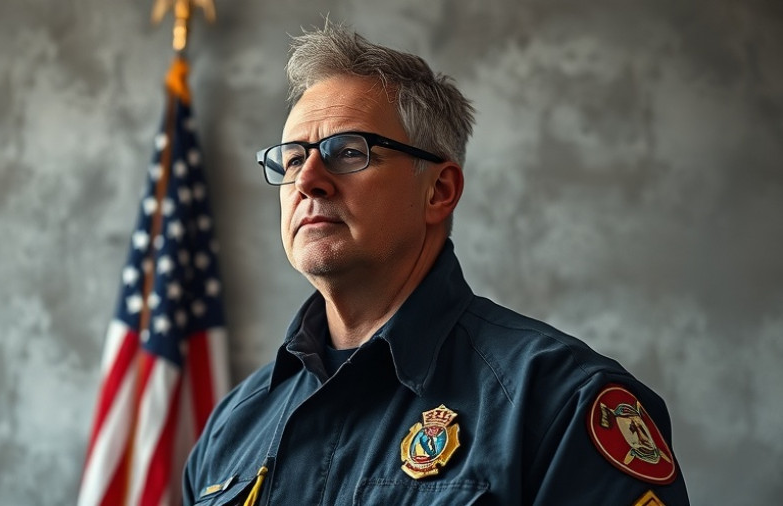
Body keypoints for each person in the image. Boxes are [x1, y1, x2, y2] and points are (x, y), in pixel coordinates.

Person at [183, 23, 690, 506]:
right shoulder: (233, 425)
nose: (308, 179)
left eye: (349, 152)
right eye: (293, 159)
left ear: (439, 191)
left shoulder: (564, 402)